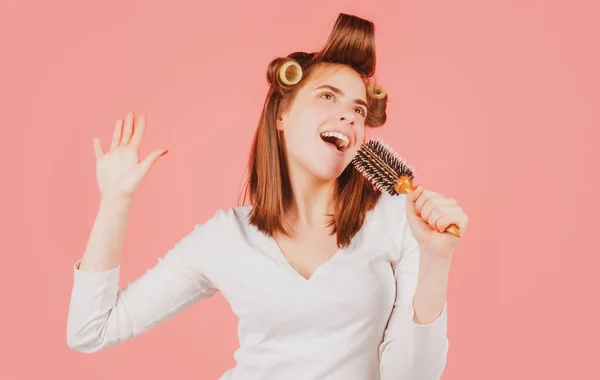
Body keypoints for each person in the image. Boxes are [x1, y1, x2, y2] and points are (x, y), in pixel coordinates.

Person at [67, 13, 468, 380]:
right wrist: (115, 202)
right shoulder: (226, 236)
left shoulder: (400, 221)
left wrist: (437, 259)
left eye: (359, 110)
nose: (349, 115)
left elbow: (412, 378)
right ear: (282, 115)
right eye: (327, 96)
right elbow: (90, 330)